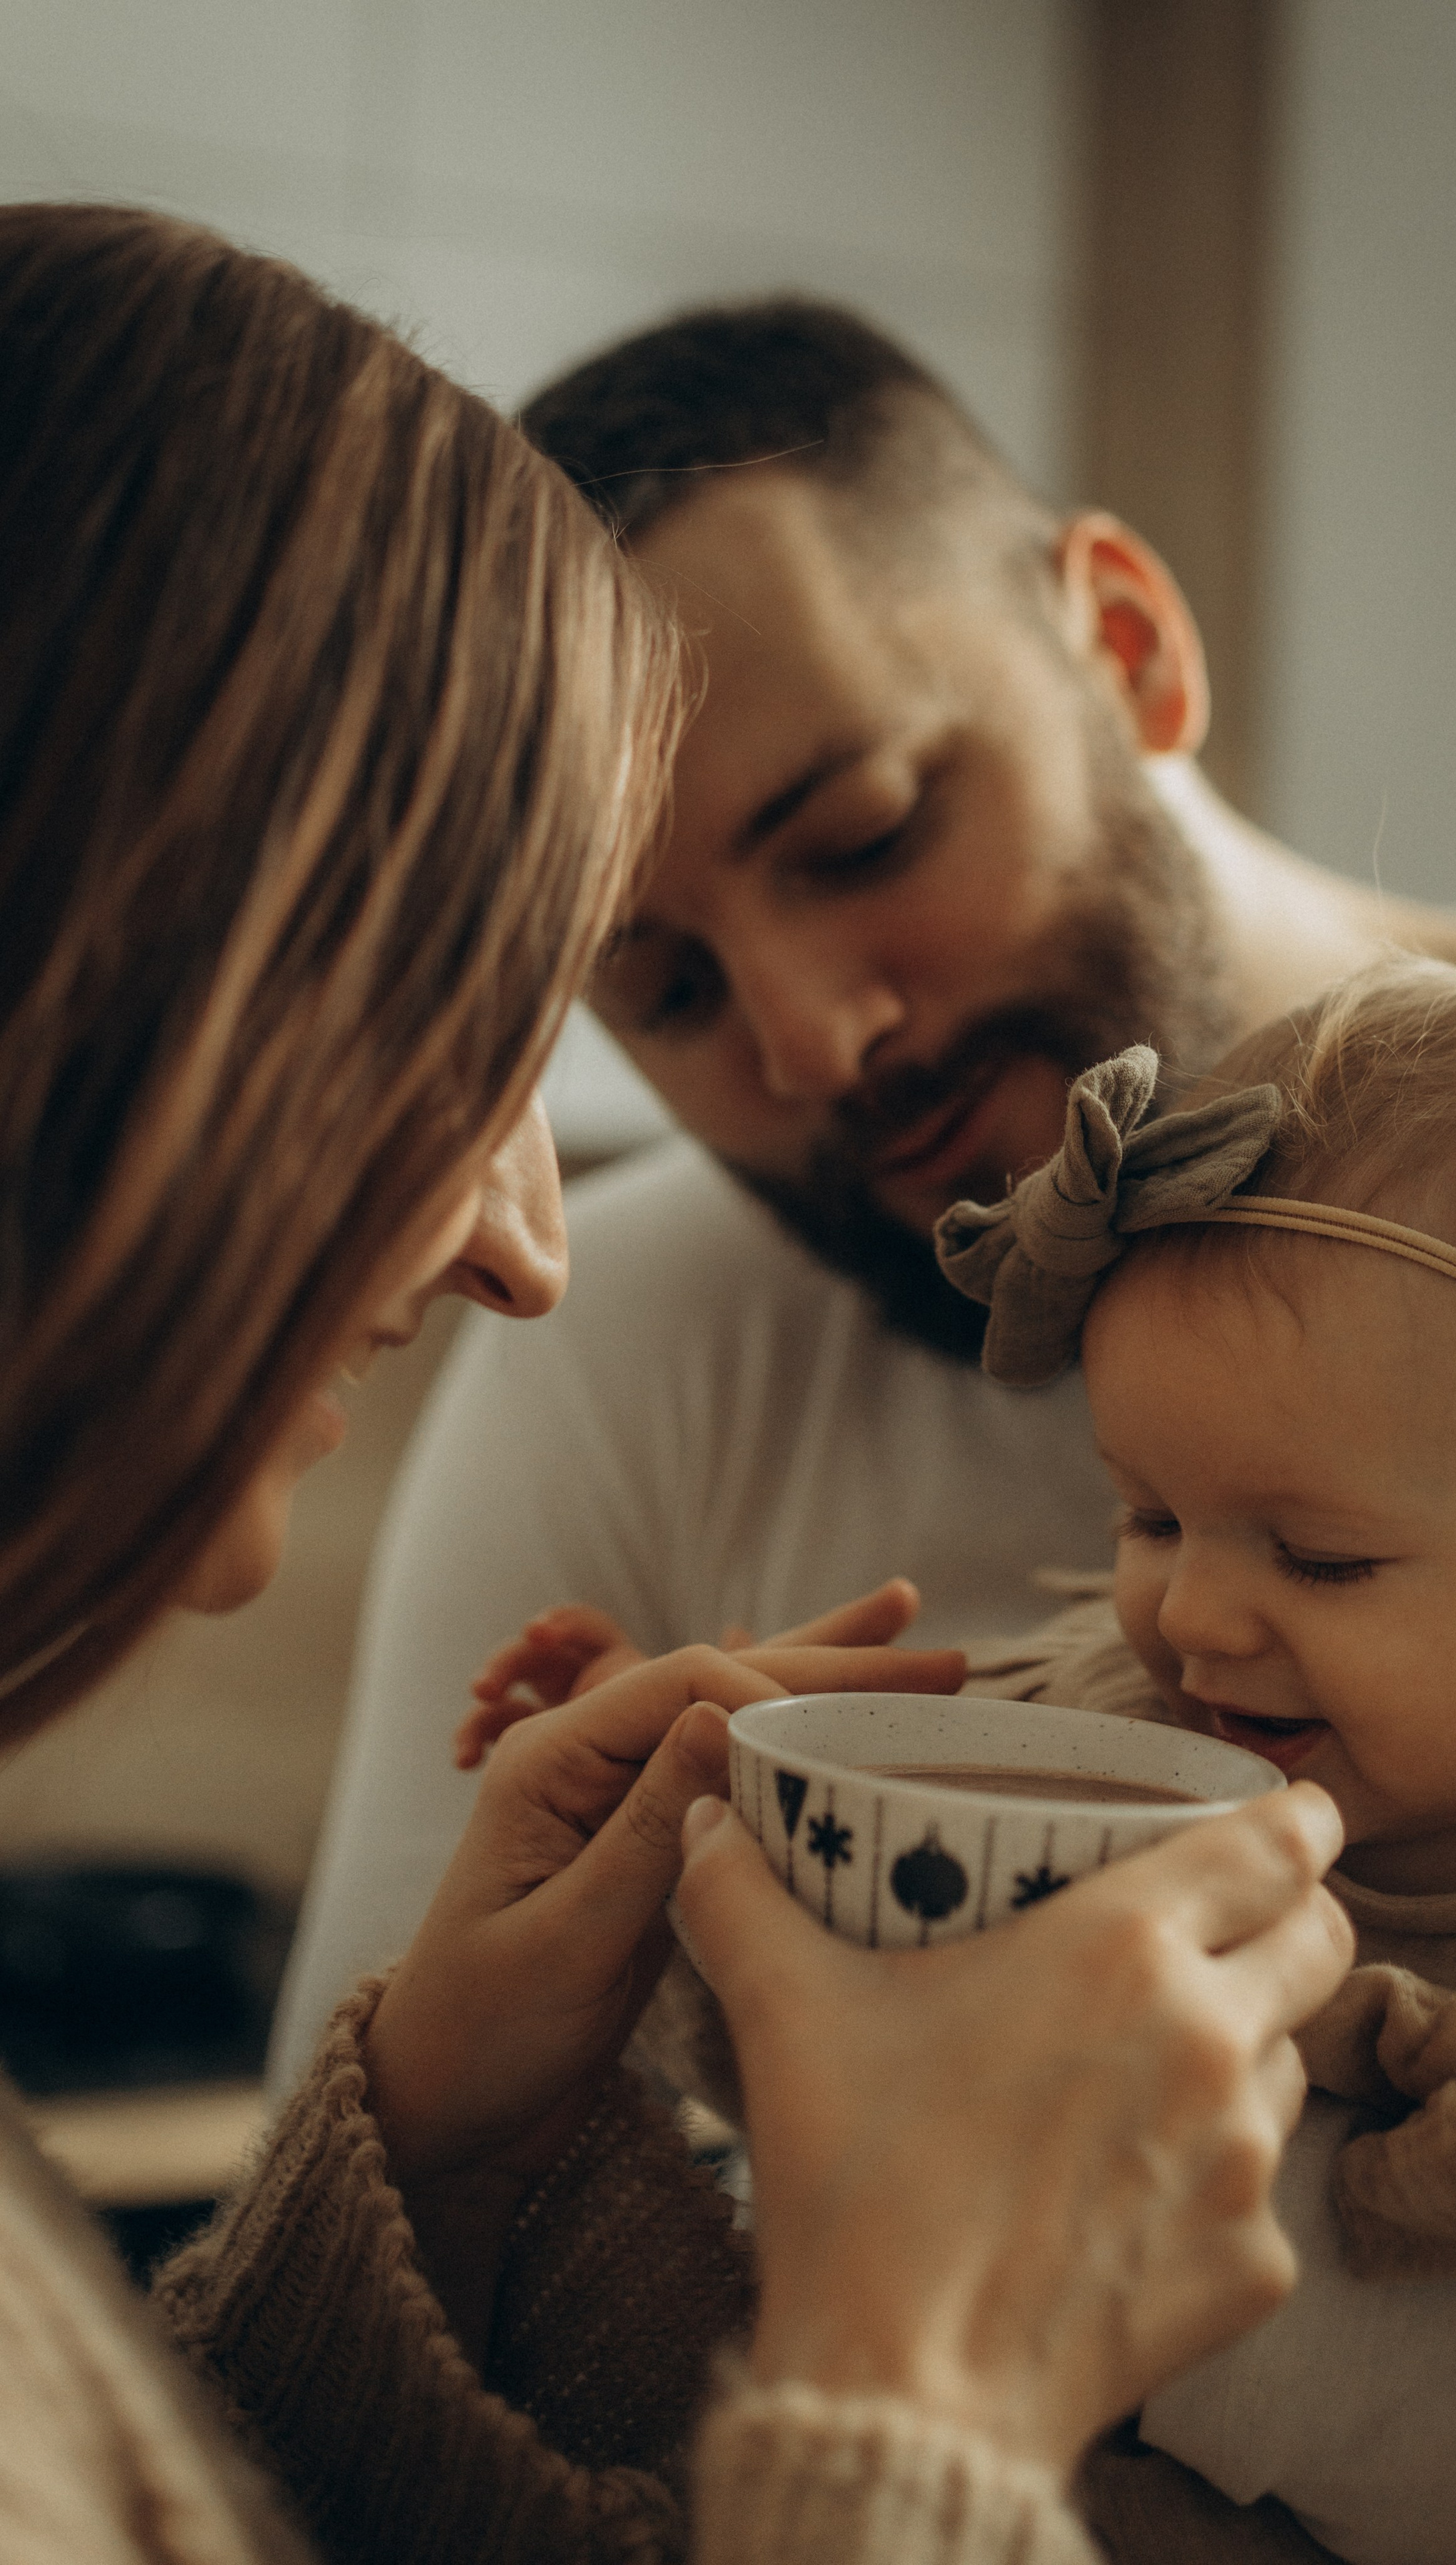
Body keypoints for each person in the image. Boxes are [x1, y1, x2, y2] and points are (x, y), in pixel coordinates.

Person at [0, 203, 1355, 2565]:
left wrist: (444, 2153)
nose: (537, 1238)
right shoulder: (651, 1330)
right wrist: (918, 2407)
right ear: (117, 971)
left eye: (865, 837)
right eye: (587, 1003)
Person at [273, 295, 1456, 2082]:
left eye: (868, 831)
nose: (810, 1044)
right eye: (669, 991)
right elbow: (359, 2221)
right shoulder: (621, 1339)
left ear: (1125, 643)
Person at [925, 960, 1456, 2564]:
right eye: (1147, 1516)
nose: (1193, 1614)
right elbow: (826, 2017)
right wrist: (681, 1771)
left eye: (1321, 1559)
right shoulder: (1106, 1744)